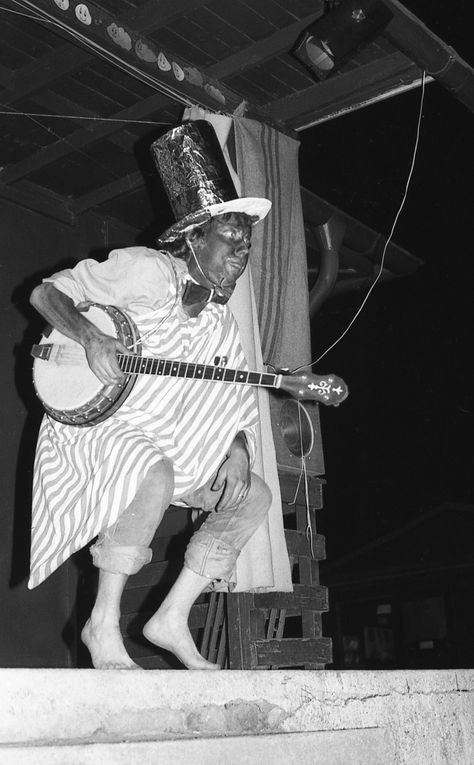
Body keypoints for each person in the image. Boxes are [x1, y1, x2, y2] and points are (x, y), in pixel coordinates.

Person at [28, 121, 273, 670]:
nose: (240, 254)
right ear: (193, 238)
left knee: (253, 495)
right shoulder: (145, 272)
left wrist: (236, 448)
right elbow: (48, 294)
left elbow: (232, 401)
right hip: (102, 428)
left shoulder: (221, 327)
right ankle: (102, 623)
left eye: (247, 244)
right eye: (229, 240)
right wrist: (91, 338)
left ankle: (170, 617)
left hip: (177, 442)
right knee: (150, 470)